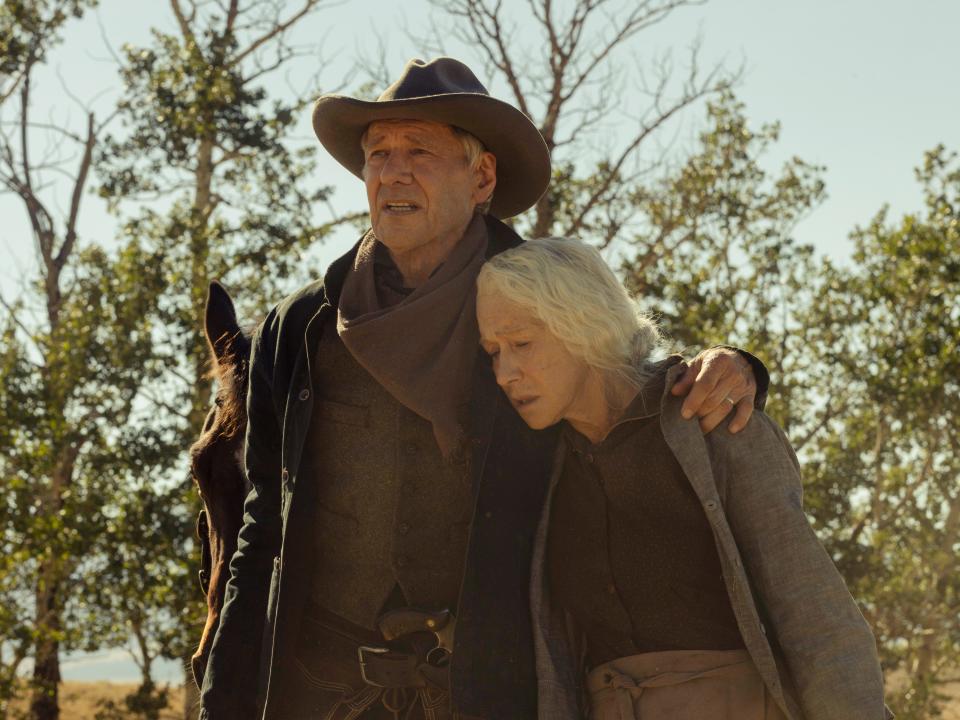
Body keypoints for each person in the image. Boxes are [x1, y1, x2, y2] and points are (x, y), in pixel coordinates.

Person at [199, 57, 767, 720]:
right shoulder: (300, 327)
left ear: (483, 177)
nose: (393, 171)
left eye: (420, 151)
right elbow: (261, 529)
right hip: (313, 685)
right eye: (378, 153)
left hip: (485, 688)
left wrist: (742, 366)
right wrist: (225, 699)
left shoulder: (536, 311)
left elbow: (630, 387)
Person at [474, 237, 891, 720]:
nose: (504, 373)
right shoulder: (539, 465)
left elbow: (813, 616)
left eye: (521, 344)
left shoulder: (711, 418)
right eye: (492, 352)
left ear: (582, 323)